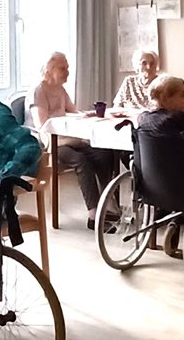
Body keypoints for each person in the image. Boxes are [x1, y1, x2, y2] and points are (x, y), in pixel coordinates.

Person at [29, 52, 120, 228]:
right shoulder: (38, 91)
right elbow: (42, 126)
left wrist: (91, 115)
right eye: (63, 68)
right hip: (49, 142)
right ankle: (93, 216)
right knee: (81, 160)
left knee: (103, 153)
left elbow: (74, 112)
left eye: (68, 68)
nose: (68, 72)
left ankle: (107, 203)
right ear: (50, 70)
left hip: (68, 139)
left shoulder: (60, 89)